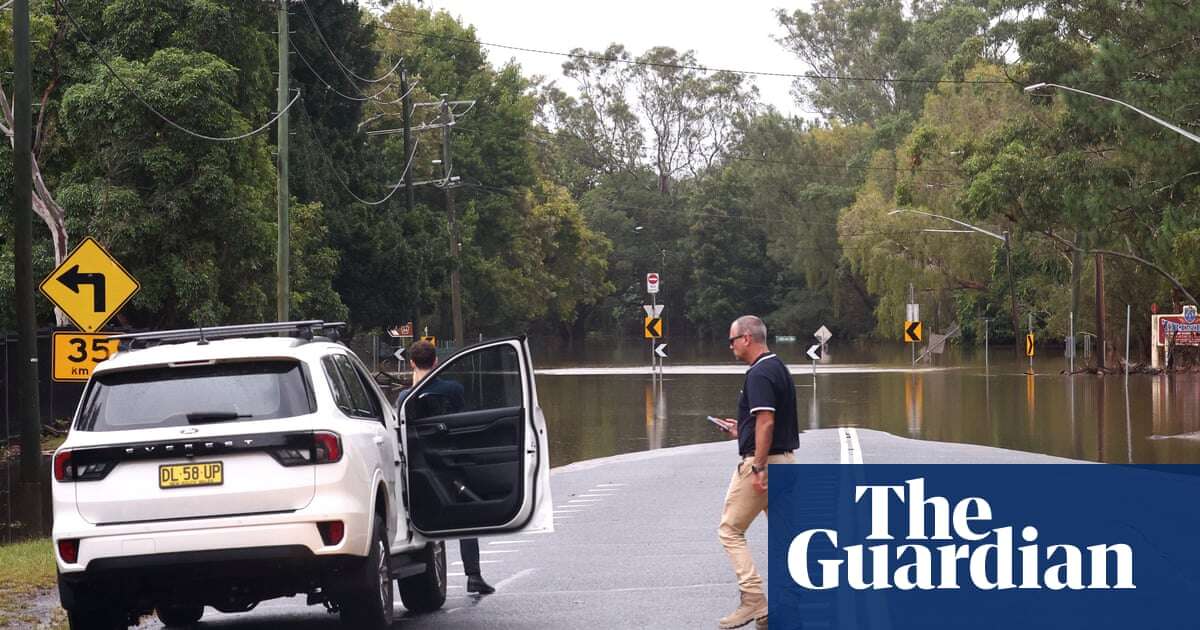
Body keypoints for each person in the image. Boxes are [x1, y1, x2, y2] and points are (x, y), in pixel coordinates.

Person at [714, 315, 799, 629]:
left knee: (730, 530)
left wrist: (759, 465)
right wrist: (743, 430)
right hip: (786, 462)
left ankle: (752, 599)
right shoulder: (778, 367)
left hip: (767, 464)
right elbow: (764, 421)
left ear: (747, 338)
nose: (731, 346)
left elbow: (767, 421)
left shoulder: (759, 373)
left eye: (733, 340)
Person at [393, 339, 495, 596]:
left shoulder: (405, 398)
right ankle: (474, 575)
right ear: (436, 361)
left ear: (412, 363)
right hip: (450, 465)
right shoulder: (453, 390)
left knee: (420, 521)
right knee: (467, 519)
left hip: (419, 470)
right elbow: (461, 424)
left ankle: (423, 577)